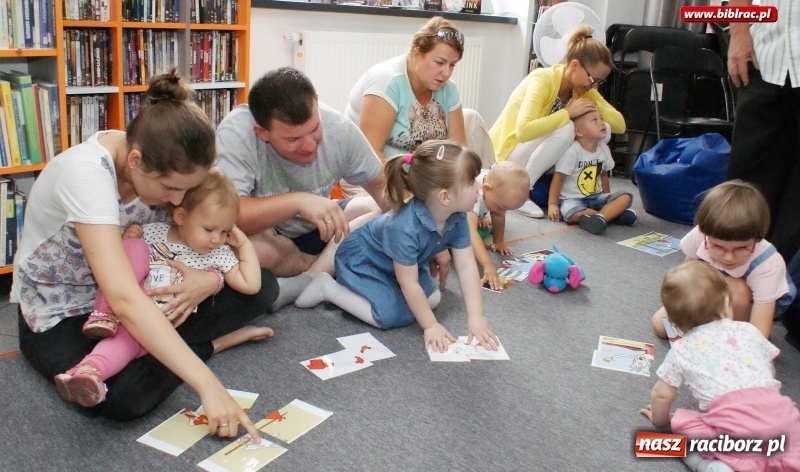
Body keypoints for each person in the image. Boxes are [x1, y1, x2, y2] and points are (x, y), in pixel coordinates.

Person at [11, 70, 276, 440]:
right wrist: (208, 384)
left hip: (147, 291)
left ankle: (158, 347)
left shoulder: (164, 164)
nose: (178, 201)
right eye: (170, 189)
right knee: (123, 396)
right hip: (64, 314)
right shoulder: (86, 175)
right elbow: (122, 298)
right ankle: (208, 345)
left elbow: (201, 234)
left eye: (185, 189)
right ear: (135, 160)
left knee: (264, 287)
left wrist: (209, 281)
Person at [54, 168, 268, 407]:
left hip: (154, 325)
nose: (216, 239)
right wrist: (130, 238)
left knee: (124, 346)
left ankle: (87, 373)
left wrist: (244, 244)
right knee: (133, 248)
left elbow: (251, 285)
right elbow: (119, 262)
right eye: (209, 229)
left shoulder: (218, 253)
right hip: (124, 303)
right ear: (181, 217)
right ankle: (104, 314)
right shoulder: (153, 232)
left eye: (225, 231)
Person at [293, 140, 499, 353]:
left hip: (401, 265)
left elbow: (466, 266)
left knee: (432, 299)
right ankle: (328, 288)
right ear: (445, 197)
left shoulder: (458, 217)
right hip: (364, 261)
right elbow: (408, 283)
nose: (479, 187)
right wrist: (431, 326)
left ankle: (385, 294)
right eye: (472, 182)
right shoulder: (404, 227)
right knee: (389, 316)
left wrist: (476, 316)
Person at [215, 67, 390, 311]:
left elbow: (383, 187)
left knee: (380, 210)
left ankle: (310, 278)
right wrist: (298, 202)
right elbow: (227, 217)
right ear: (262, 133)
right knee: (249, 251)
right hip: (268, 237)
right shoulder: (236, 134)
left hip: (322, 228)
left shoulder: (340, 127)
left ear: (316, 102)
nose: (309, 146)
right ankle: (324, 266)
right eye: (293, 139)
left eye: (314, 129)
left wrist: (428, 231)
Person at [640, 260, 800, 471]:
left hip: (735, 433)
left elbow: (661, 395)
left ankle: (710, 466)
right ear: (726, 303)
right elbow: (769, 369)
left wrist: (661, 420)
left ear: (674, 323)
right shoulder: (748, 330)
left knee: (684, 426)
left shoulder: (681, 349)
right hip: (782, 419)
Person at [489, 24, 625, 219]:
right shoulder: (543, 79)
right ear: (574, 65)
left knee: (603, 128)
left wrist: (592, 99)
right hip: (508, 156)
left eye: (599, 82)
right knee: (567, 128)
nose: (593, 85)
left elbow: (620, 125)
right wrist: (567, 113)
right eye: (592, 79)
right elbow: (523, 131)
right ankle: (523, 193)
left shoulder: (583, 89)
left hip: (537, 158)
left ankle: (585, 193)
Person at [345, 16, 496, 173]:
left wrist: (461, 178)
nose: (446, 73)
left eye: (452, 65)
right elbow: (370, 158)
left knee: (472, 118)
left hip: (422, 174)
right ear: (416, 54)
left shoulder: (449, 88)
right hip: (372, 174)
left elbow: (458, 149)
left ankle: (492, 180)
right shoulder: (387, 82)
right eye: (439, 62)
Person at [650, 180, 795, 339]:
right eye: (718, 247)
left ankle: (731, 336)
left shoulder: (768, 265)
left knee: (736, 290)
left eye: (741, 248)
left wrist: (748, 345)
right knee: (660, 324)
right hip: (714, 288)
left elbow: (760, 332)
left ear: (757, 238)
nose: (728, 257)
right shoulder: (700, 235)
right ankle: (711, 322)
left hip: (754, 303)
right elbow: (688, 280)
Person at [726, 0, 799, 264]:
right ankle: (730, 270)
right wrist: (738, 32)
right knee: (746, 178)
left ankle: (782, 280)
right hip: (765, 54)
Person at [546, 110, 636, 235]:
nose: (601, 123)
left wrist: (608, 200)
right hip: (572, 200)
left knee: (626, 196)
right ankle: (610, 215)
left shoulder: (603, 149)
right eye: (594, 120)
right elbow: (558, 178)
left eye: (601, 119)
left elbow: (603, 175)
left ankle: (601, 217)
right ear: (579, 131)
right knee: (572, 213)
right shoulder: (573, 151)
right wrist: (553, 204)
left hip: (597, 197)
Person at [468, 161, 530, 290]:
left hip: (472, 213)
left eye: (506, 209)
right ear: (486, 189)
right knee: (469, 238)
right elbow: (470, 233)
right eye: (500, 207)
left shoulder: (493, 188)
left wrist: (498, 241)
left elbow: (498, 215)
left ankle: (481, 216)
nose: (502, 212)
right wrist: (488, 265)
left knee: (486, 226)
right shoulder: (473, 193)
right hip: (443, 218)